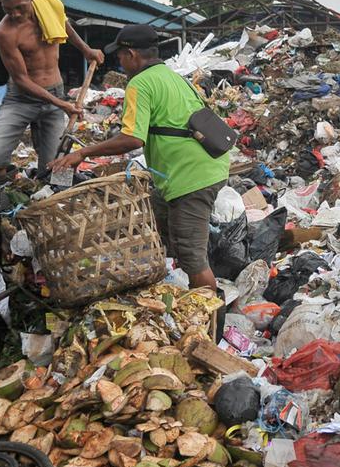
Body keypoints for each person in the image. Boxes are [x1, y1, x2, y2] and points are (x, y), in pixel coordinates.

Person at [49, 24, 229, 293]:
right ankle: (171, 287)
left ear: (131, 54)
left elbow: (132, 139)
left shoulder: (140, 83)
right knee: (153, 220)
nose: (119, 63)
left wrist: (82, 152)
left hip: (192, 178)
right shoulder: (171, 76)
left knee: (193, 259)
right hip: (205, 167)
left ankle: (210, 324)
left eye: (120, 56)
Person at [0, 0, 105, 175]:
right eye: (7, 9)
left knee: (56, 169)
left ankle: (44, 192)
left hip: (55, 93)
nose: (14, 14)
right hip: (21, 98)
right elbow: (21, 79)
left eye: (19, 7)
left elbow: (64, 25)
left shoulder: (48, 5)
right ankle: (6, 182)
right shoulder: (4, 32)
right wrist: (62, 104)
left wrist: (86, 50)